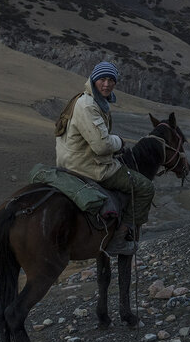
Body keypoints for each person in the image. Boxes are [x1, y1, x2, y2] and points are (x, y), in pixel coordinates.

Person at [55, 60, 153, 254]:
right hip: (87, 166)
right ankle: (118, 239)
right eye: (102, 79)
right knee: (145, 187)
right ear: (93, 79)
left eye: (111, 80)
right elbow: (101, 146)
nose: (107, 84)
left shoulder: (91, 100)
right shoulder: (88, 105)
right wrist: (120, 142)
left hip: (72, 160)